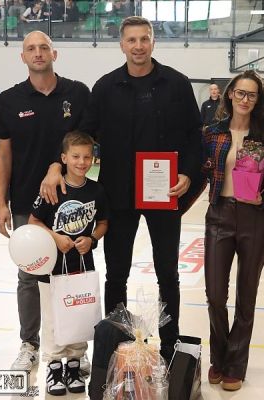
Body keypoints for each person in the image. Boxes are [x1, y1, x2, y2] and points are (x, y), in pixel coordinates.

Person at [65, 16, 202, 362]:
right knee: (116, 274)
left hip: (164, 193)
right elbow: (85, 133)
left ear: (153, 42)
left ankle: (169, 344)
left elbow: (194, 136)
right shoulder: (105, 87)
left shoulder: (177, 84)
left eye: (144, 39)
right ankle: (117, 345)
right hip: (118, 194)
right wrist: (62, 164)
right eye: (132, 40)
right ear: (122, 45)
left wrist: (187, 173)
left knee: (168, 273)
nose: (138, 46)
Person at [0, 30, 91, 372]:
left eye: (44, 47)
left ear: (54, 53)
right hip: (26, 202)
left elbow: (85, 145)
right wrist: (1, 202)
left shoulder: (77, 93)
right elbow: (3, 155)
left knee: (72, 273)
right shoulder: (10, 100)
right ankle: (30, 344)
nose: (38, 53)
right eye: (31, 48)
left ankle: (74, 347)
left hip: (72, 202)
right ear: (22, 57)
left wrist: (56, 167)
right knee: (29, 276)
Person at [201, 71, 264, 392]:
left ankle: (235, 366)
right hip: (218, 216)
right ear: (230, 94)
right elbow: (198, 171)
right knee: (215, 296)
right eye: (240, 93)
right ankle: (219, 357)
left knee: (246, 296)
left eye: (251, 95)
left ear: (258, 99)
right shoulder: (211, 133)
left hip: (254, 218)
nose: (245, 99)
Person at [29, 131, 108, 395]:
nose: (81, 162)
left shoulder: (96, 190)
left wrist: (92, 239)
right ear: (63, 158)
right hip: (51, 269)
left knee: (79, 315)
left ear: (93, 158)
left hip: (81, 267)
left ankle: (74, 364)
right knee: (52, 318)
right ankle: (53, 367)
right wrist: (55, 237)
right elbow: (33, 221)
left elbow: (103, 223)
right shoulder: (52, 189)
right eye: (75, 156)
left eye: (86, 157)